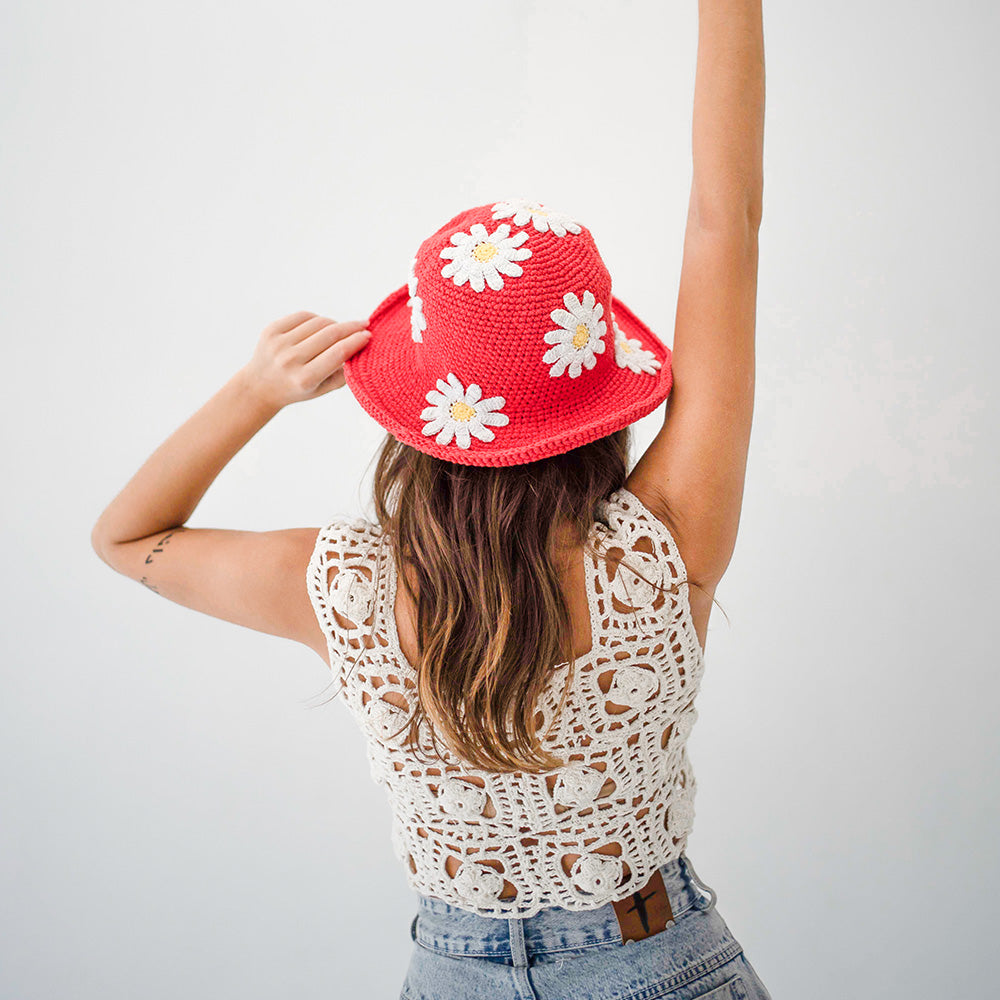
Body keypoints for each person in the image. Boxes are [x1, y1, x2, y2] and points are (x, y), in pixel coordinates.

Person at [91, 2, 766, 995]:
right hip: (655, 955)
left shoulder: (341, 586)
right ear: (592, 402)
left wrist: (258, 389)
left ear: (420, 411)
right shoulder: (667, 536)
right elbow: (725, 221)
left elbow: (126, 537)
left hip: (453, 969)